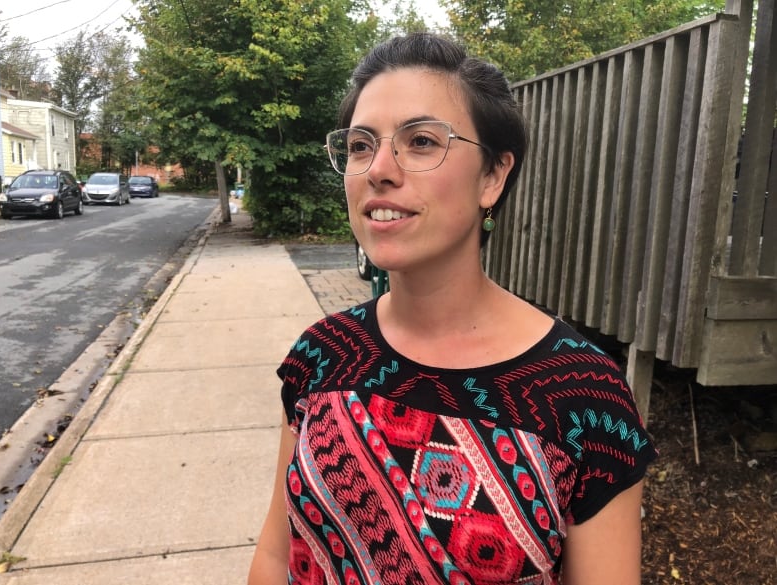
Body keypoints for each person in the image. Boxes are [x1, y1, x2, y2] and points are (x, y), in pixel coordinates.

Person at [249, 32, 657, 585]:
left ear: (493, 176)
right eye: (361, 145)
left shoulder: (584, 397)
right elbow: (277, 556)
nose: (378, 169)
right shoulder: (321, 356)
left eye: (420, 142)